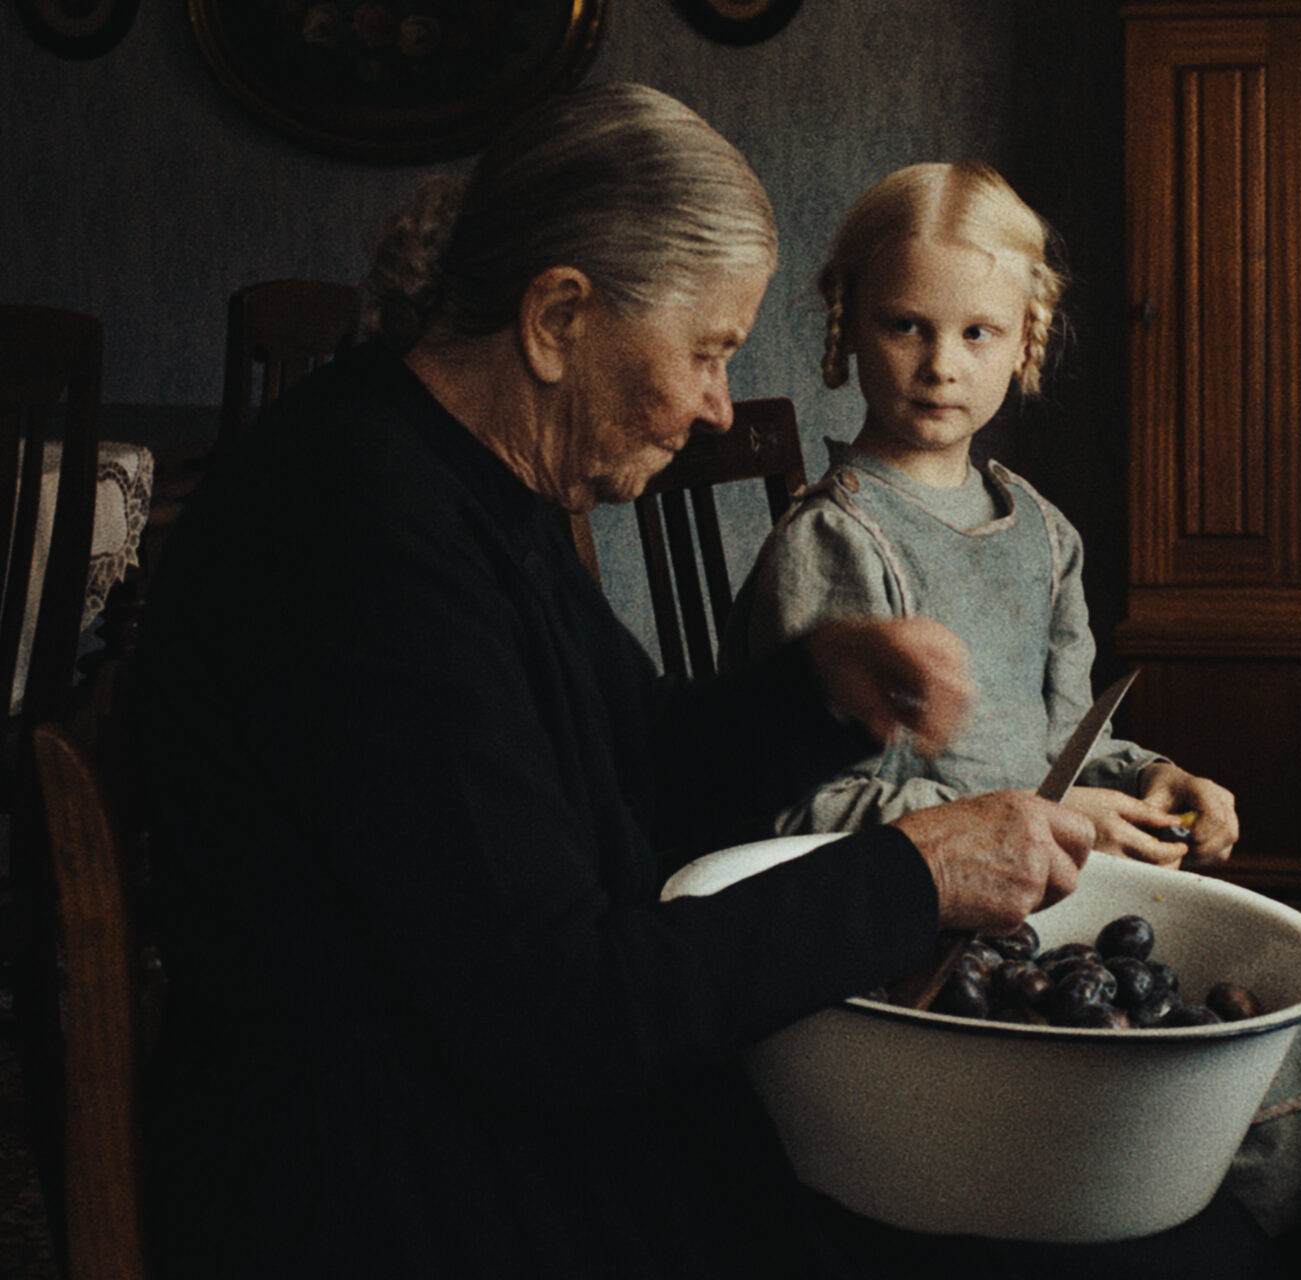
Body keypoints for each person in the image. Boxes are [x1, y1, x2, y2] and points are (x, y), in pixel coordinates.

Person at [133, 84, 1097, 1280]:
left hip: (466, 1091)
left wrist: (820, 692)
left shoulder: (473, 478)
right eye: (707, 350)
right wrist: (915, 873)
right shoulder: (362, 528)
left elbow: (627, 762)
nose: (715, 405)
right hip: (375, 1176)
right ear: (558, 317)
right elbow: (557, 1011)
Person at [723, 161, 1239, 866]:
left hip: (1031, 880)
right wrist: (1042, 814)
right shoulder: (833, 542)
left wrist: (1150, 778)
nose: (941, 364)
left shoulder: (1048, 535)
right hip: (898, 904)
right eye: (906, 326)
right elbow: (802, 808)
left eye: (978, 333)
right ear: (848, 325)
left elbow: (1058, 747)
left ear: (1027, 340)